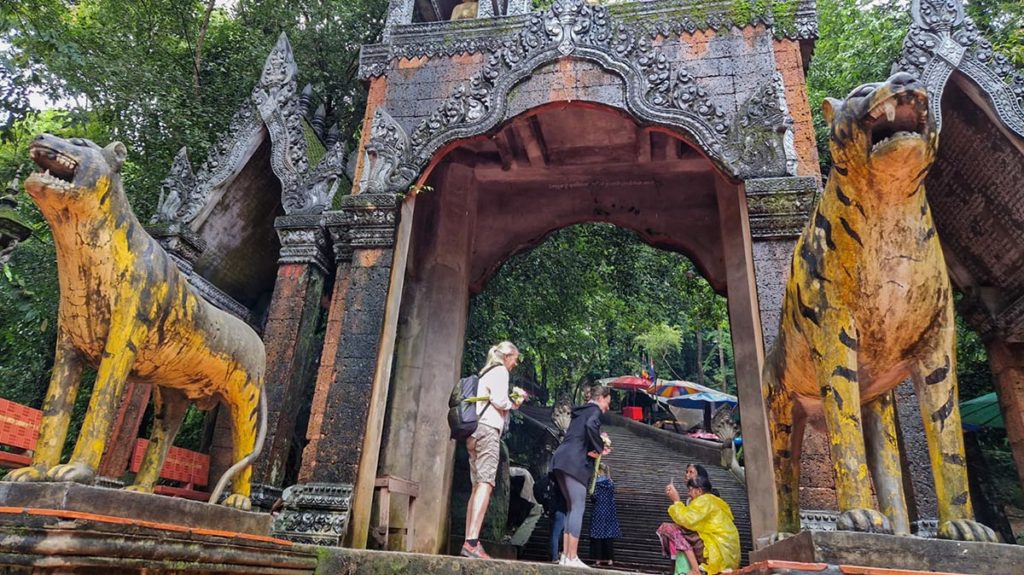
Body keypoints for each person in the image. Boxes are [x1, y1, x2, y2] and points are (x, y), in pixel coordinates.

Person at [461, 341, 524, 559]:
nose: (515, 364)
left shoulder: (485, 372)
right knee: (486, 484)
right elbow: (499, 400)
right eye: (515, 359)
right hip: (488, 431)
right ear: (507, 356)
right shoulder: (499, 371)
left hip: (474, 431)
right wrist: (514, 402)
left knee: (477, 486)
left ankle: (469, 539)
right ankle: (472, 542)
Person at [550, 385, 613, 568]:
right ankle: (571, 556)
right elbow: (590, 426)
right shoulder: (593, 411)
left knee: (571, 508)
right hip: (573, 463)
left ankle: (566, 556)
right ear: (601, 397)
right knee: (578, 507)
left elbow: (580, 434)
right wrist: (599, 447)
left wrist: (592, 449)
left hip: (561, 460)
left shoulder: (581, 412)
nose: (607, 408)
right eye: (607, 403)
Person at [656, 475, 740, 575]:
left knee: (669, 528)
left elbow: (686, 520)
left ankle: (695, 570)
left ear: (699, 491)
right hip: (726, 556)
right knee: (676, 528)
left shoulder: (705, 500)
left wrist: (676, 500)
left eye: (690, 490)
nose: (688, 494)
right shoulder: (713, 501)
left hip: (717, 554)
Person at [589, 464, 622, 567]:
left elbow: (594, 497)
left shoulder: (596, 484)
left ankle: (598, 560)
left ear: (599, 471)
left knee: (597, 536)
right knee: (608, 536)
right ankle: (610, 559)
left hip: (598, 511)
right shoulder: (611, 483)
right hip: (609, 512)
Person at [537, 471, 568, 563]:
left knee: (554, 533)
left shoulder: (551, 481)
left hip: (552, 510)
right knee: (557, 533)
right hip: (561, 510)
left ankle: (552, 554)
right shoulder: (561, 483)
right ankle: (555, 556)